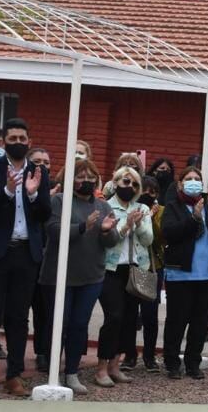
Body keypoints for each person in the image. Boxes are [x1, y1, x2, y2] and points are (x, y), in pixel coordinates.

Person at [0, 118, 51, 397]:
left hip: (25, 253)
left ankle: (14, 375)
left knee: (19, 317)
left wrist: (31, 195)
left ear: (29, 142)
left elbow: (45, 214)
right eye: (13, 138)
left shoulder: (38, 172)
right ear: (5, 141)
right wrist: (8, 190)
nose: (18, 143)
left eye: (22, 138)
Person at [39, 160, 117, 395]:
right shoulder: (59, 201)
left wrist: (105, 230)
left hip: (91, 276)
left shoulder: (103, 206)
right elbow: (53, 231)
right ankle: (52, 369)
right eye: (80, 176)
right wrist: (83, 226)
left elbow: (111, 242)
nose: (86, 180)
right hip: (59, 276)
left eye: (90, 176)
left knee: (79, 325)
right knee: (58, 324)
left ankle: (71, 372)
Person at [161, 166, 208, 380]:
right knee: (176, 321)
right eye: (188, 179)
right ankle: (172, 363)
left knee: (200, 323)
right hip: (180, 275)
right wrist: (193, 219)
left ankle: (193, 363)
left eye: (197, 179)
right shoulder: (173, 207)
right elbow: (169, 234)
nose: (193, 182)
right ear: (180, 184)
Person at [95, 166, 152, 388]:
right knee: (114, 316)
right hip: (110, 269)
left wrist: (137, 225)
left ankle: (115, 365)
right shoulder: (106, 206)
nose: (130, 187)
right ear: (116, 182)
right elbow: (105, 238)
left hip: (135, 269)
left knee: (129, 319)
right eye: (125, 182)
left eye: (135, 184)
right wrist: (126, 225)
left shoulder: (143, 208)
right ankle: (101, 367)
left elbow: (148, 240)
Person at [26, 148, 53, 372]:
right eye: (37, 161)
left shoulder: (56, 190)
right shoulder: (23, 186)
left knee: (44, 309)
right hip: (27, 255)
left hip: (49, 259)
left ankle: (43, 352)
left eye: (46, 162)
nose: (42, 165)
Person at [135, 176, 165, 371]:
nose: (148, 194)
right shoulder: (131, 208)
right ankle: (129, 355)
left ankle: (149, 356)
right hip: (132, 265)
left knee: (150, 314)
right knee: (129, 313)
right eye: (144, 190)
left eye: (152, 191)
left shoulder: (161, 211)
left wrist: (151, 218)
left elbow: (160, 239)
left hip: (153, 267)